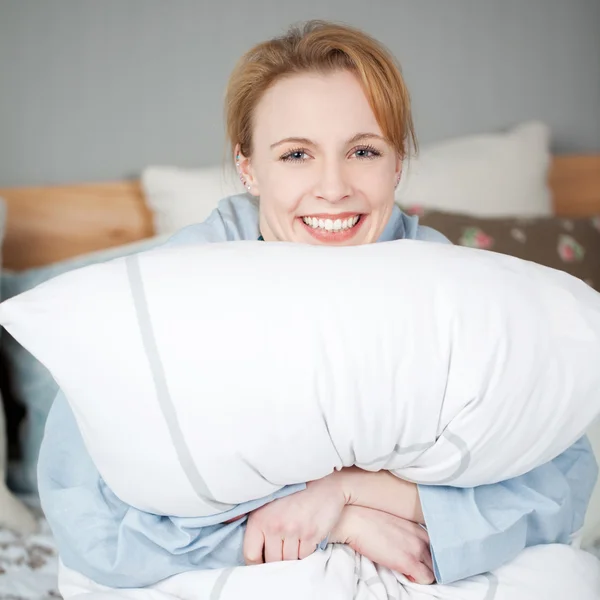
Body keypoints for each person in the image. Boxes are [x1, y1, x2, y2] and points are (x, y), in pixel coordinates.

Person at [37, 19, 597, 591]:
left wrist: (349, 493)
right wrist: (338, 525)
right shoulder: (171, 294)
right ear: (248, 166)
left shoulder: (454, 287)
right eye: (297, 154)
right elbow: (87, 512)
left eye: (362, 150)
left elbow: (560, 480)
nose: (333, 188)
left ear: (397, 162)